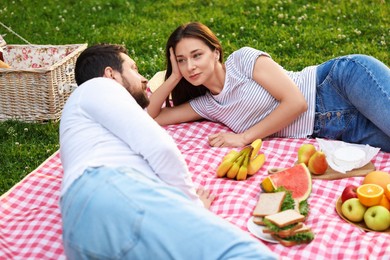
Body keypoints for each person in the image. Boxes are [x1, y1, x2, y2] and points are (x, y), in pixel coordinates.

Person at [59, 43, 277, 260]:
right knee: (243, 254)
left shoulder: (85, 120)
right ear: (110, 74)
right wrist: (193, 206)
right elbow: (160, 147)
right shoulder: (99, 86)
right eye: (133, 69)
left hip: (77, 230)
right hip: (114, 192)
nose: (143, 78)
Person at [147, 22, 390, 152]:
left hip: (339, 84)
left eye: (196, 55)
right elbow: (151, 118)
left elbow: (296, 103)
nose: (190, 66)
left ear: (215, 53)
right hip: (337, 127)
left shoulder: (242, 61)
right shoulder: (207, 105)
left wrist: (244, 137)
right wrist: (173, 77)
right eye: (181, 60)